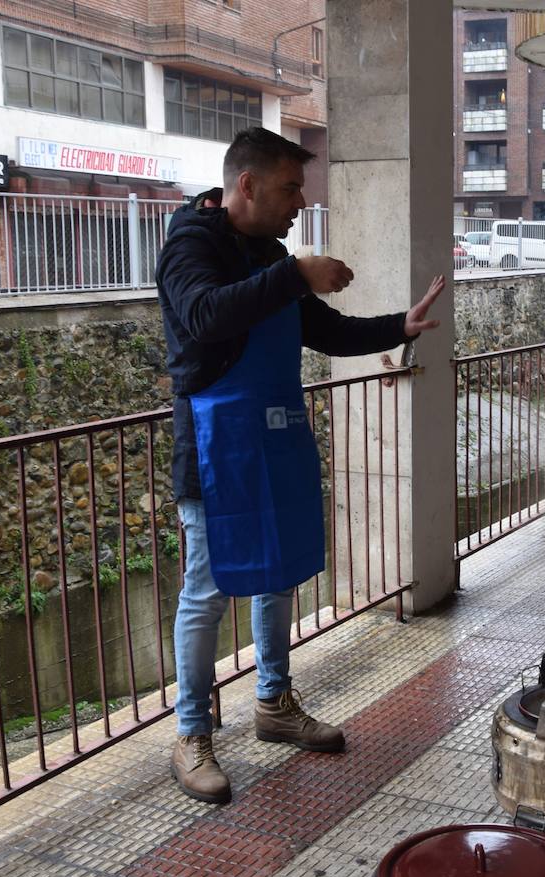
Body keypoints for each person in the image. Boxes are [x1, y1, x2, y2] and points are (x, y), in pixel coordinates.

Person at [156, 128, 444, 803]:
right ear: (248, 185)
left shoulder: (267, 250)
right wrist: (293, 274)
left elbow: (322, 329)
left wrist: (397, 326)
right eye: (290, 190)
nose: (298, 205)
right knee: (207, 587)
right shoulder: (190, 244)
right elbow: (202, 317)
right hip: (214, 447)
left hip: (275, 432)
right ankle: (192, 731)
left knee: (278, 575)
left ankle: (273, 703)